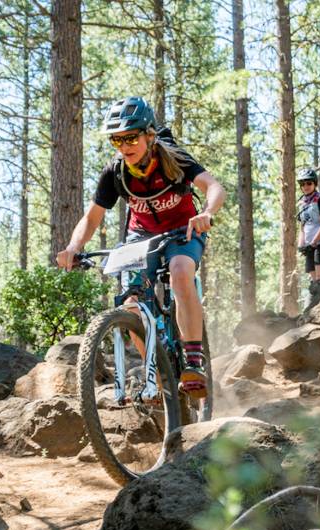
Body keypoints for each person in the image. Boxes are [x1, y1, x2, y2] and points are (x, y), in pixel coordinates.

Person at [56, 96, 225, 399]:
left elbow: (213, 186)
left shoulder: (174, 159)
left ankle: (193, 361)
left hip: (183, 229)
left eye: (131, 137)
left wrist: (207, 213)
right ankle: (158, 376)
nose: (124, 146)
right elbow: (92, 217)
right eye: (117, 140)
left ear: (149, 135)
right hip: (141, 236)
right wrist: (73, 246)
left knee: (180, 271)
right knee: (131, 304)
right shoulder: (115, 172)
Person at [295, 168, 320, 282]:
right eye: (302, 184)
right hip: (309, 246)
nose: (305, 186)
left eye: (309, 183)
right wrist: (301, 245)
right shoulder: (301, 203)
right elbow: (302, 228)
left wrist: (313, 243)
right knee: (314, 282)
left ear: (315, 183)